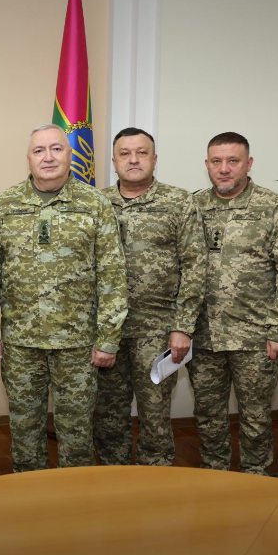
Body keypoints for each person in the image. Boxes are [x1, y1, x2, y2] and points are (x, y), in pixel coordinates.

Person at [0, 125, 127, 470]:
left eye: (56, 149)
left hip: (78, 343)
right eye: (39, 151)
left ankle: (74, 509)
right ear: (29, 158)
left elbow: (112, 273)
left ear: (69, 154)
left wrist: (108, 338)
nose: (47, 157)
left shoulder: (95, 204)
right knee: (24, 430)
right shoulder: (5, 204)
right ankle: (29, 505)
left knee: (77, 434)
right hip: (20, 344)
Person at [188, 132, 278, 473]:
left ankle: (257, 484)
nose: (224, 169)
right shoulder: (193, 207)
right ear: (207, 165)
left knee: (255, 419)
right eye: (216, 161)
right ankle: (215, 478)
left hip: (255, 338)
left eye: (233, 161)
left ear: (248, 164)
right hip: (204, 334)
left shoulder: (272, 208)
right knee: (208, 415)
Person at [94, 128, 205, 465]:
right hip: (106, 331)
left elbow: (195, 265)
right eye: (125, 153)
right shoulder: (96, 203)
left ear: (154, 159)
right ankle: (112, 483)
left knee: (155, 417)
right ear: (113, 161)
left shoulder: (179, 202)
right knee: (108, 417)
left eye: (142, 152)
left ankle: (154, 486)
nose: (133, 159)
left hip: (157, 331)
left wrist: (183, 327)